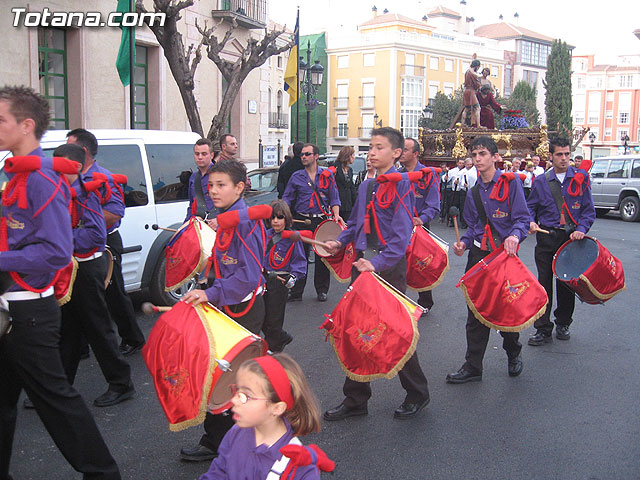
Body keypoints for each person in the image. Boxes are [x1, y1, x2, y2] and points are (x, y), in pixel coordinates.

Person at [0, 85, 121, 479]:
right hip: (10, 303)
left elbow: (55, 252)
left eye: (2, 119)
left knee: (57, 401)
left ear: (26, 125)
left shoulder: (43, 179)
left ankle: (103, 473)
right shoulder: (12, 173)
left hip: (29, 309)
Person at [323, 127, 431, 421]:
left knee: (395, 331)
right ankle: (356, 398)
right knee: (358, 329)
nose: (371, 152)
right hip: (363, 264)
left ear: (396, 153)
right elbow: (357, 223)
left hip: (387, 267)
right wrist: (340, 242)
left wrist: (378, 263)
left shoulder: (402, 185)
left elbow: (400, 237)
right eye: (370, 147)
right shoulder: (366, 185)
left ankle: (418, 393)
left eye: (379, 147)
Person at [180, 159, 267, 462]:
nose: (213, 191)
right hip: (225, 304)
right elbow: (225, 263)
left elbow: (249, 276)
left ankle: (239, 441)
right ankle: (218, 438)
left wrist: (211, 292)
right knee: (218, 375)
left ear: (240, 187)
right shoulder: (226, 217)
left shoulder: (244, 222)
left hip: (243, 308)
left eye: (221, 185)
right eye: (211, 185)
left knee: (234, 380)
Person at [53, 144, 135, 408]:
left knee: (98, 329)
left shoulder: (85, 195)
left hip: (87, 268)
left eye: (60, 166)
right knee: (68, 331)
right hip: (69, 268)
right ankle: (60, 385)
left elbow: (96, 236)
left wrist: (59, 237)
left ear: (75, 168)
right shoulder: (62, 193)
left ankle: (122, 384)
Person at [446, 136, 530, 384]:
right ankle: (473, 366)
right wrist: (463, 243)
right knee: (476, 311)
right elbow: (474, 226)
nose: (477, 158)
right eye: (474, 154)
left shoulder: (511, 183)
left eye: (482, 153)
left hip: (505, 256)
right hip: (479, 256)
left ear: (495, 157)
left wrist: (515, 235)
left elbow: (522, 219)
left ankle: (513, 352)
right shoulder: (473, 192)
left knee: (505, 310)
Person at [66, 129, 145, 357]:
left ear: (82, 152)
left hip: (104, 241)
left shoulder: (103, 178)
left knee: (114, 293)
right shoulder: (73, 176)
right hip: (78, 244)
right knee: (78, 295)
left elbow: (115, 212)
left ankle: (133, 338)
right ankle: (79, 345)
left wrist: (84, 221)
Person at [199, 354, 323, 480]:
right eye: (236, 390)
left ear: (277, 408)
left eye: (246, 396)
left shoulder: (300, 468)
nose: (234, 400)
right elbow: (218, 472)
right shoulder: (236, 433)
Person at [527, 137, 596, 345]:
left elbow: (588, 211)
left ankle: (563, 322)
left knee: (567, 284)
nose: (564, 158)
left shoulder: (580, 179)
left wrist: (581, 230)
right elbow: (530, 208)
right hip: (547, 237)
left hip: (570, 239)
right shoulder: (541, 181)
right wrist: (530, 222)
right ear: (551, 156)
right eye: (559, 154)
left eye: (567, 154)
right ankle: (543, 328)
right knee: (543, 284)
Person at [282, 143, 342, 302]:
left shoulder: (327, 175)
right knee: (299, 257)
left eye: (307, 154)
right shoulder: (296, 176)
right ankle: (296, 291)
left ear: (316, 156)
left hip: (321, 221)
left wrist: (336, 215)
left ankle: (322, 290)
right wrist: (284, 212)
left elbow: (334, 197)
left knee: (322, 257)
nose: (303, 157)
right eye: (302, 154)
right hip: (301, 220)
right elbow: (287, 198)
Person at [399, 137, 440, 315]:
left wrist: (421, 219)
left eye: (406, 150)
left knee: (421, 265)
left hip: (419, 227)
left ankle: (425, 301)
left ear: (415, 154)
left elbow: (434, 204)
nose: (401, 152)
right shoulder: (397, 174)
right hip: (399, 228)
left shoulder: (427, 175)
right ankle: (399, 299)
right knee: (398, 265)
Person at [262, 200, 306, 352]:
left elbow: (299, 262)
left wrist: (293, 277)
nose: (275, 221)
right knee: (262, 317)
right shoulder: (263, 236)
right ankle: (281, 336)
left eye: (279, 217)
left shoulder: (292, 239)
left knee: (274, 319)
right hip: (262, 280)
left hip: (279, 283)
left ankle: (273, 348)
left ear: (286, 219)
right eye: (272, 217)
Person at [185, 138, 217, 226]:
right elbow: (192, 206)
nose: (200, 157)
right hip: (199, 226)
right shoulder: (193, 178)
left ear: (212, 155)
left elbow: (232, 205)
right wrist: (186, 225)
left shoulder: (221, 175)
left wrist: (219, 221)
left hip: (218, 229)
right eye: (197, 154)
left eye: (204, 154)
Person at [332, 146, 357, 222]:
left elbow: (351, 187)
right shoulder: (335, 167)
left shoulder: (350, 170)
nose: (354, 157)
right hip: (338, 203)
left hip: (348, 204)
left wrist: (356, 202)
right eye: (353, 155)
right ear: (347, 155)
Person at [454, 158, 477, 228]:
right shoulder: (462, 172)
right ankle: (463, 222)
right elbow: (459, 181)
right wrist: (463, 184)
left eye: (471, 164)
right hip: (464, 191)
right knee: (463, 208)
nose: (469, 166)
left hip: (473, 190)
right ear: (465, 164)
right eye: (468, 164)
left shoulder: (474, 171)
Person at [462, 59, 481, 127]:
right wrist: (480, 86)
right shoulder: (472, 73)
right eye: (478, 67)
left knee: (466, 109)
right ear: (476, 66)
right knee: (477, 108)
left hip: (466, 91)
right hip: (471, 91)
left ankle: (462, 124)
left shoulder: (467, 72)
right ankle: (478, 125)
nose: (478, 68)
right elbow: (476, 83)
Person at [447, 159, 465, 227]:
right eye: (460, 163)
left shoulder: (465, 171)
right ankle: (452, 221)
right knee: (453, 206)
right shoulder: (453, 171)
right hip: (455, 191)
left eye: (463, 163)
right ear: (457, 163)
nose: (461, 164)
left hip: (462, 191)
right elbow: (446, 178)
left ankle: (463, 222)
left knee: (462, 208)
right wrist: (446, 178)